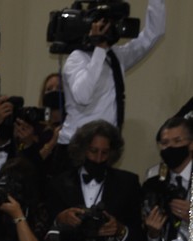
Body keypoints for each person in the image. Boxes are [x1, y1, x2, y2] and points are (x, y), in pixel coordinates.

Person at [56, 0, 166, 153]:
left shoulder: (115, 57)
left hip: (105, 147)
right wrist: (99, 49)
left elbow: (153, 34)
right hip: (76, 147)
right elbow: (82, 96)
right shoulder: (77, 57)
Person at [45, 119, 142, 241]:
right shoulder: (58, 183)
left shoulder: (128, 183)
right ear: (82, 149)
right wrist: (60, 219)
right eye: (93, 151)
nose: (98, 159)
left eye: (105, 153)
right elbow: (43, 236)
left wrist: (120, 229)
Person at [141, 115, 193, 241]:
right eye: (165, 143)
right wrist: (153, 233)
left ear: (191, 144)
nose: (170, 147)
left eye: (177, 141)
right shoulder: (153, 183)